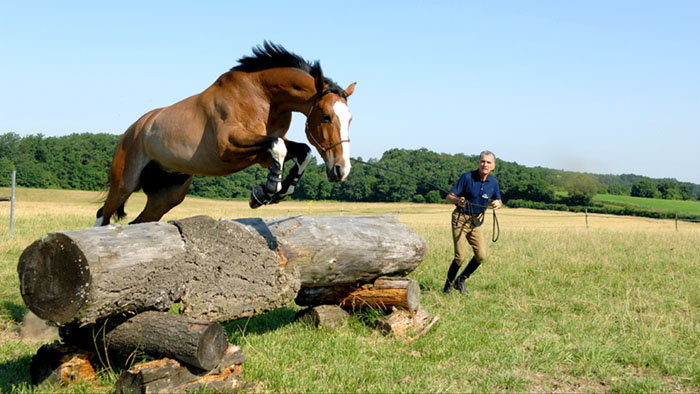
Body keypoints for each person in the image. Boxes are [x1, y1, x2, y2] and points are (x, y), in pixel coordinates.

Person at [443, 150, 502, 295]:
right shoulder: (467, 177)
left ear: (493, 166)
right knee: (460, 257)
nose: (485, 164)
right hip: (460, 218)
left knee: (481, 255)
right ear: (478, 163)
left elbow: (499, 200)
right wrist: (458, 201)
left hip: (476, 221)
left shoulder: (493, 182)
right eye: (482, 161)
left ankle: (460, 280)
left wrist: (497, 203)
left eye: (488, 162)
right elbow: (449, 197)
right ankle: (447, 287)